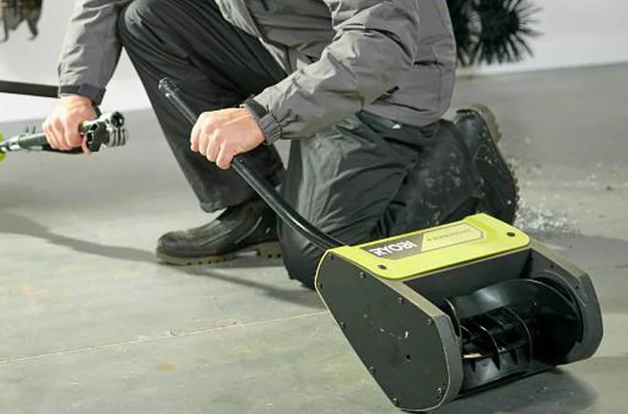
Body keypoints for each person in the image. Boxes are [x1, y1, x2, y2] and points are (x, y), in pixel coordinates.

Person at [43, 0, 518, 288]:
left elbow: (380, 45)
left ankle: (462, 158)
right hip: (297, 59)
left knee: (322, 259)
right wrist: (77, 93)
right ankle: (253, 209)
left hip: (388, 85)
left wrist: (261, 116)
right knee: (149, 17)